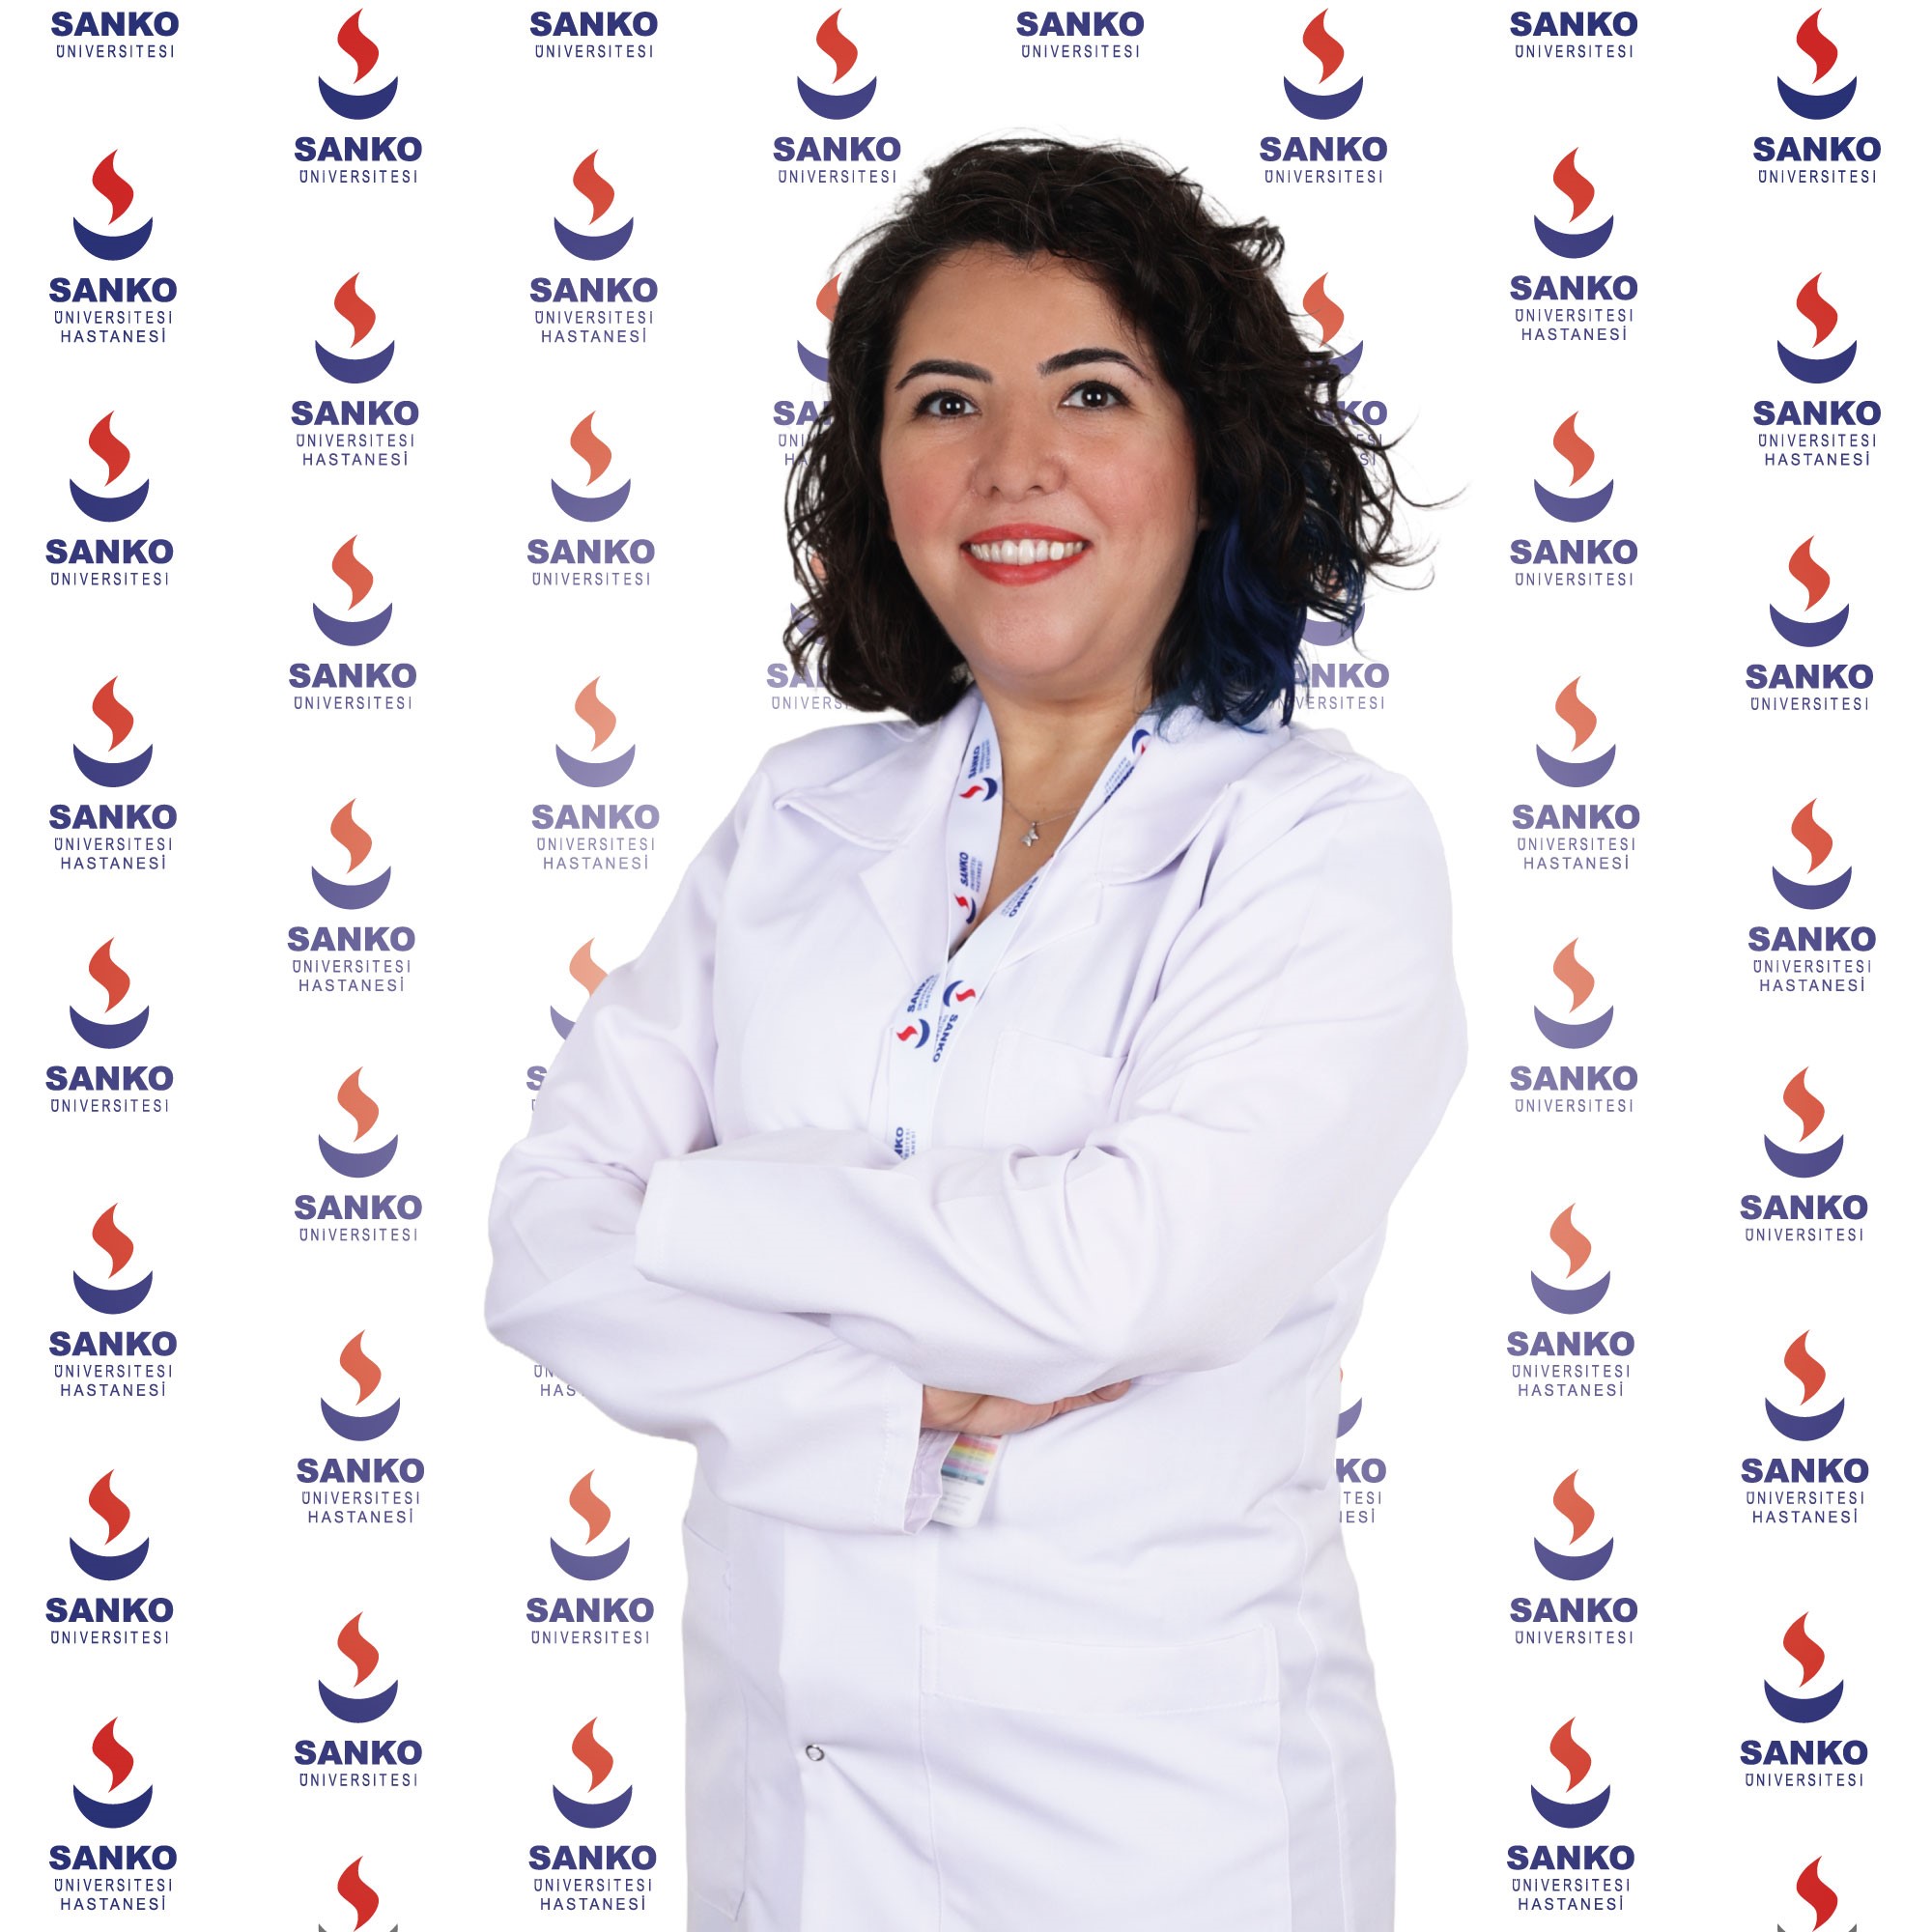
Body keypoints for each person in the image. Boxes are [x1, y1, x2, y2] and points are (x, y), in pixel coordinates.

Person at [485, 136, 1466, 1932]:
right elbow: (545, 1241)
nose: (1014, 462)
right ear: (879, 474)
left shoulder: (1322, 849)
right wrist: (875, 1409)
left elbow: (1120, 1274)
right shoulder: (796, 819)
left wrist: (697, 1208)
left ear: (1209, 456)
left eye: (1091, 391)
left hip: (1158, 1845)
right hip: (792, 1826)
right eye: (945, 401)